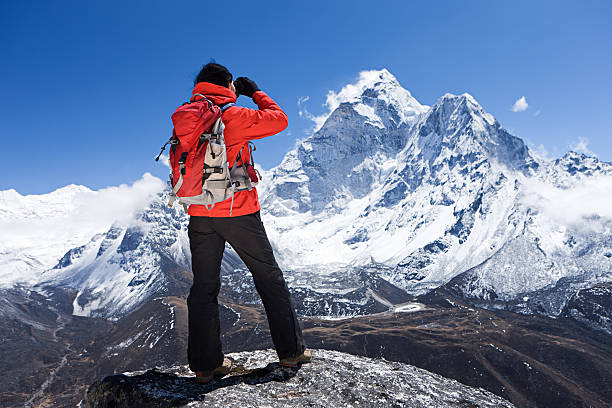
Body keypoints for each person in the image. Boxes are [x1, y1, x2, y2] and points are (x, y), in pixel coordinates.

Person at [184, 63, 310, 384]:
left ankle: (205, 365)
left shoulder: (187, 117)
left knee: (204, 287)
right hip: (237, 211)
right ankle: (290, 352)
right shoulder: (233, 115)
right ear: (228, 84)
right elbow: (280, 119)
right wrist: (255, 92)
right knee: (269, 278)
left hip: (200, 212)